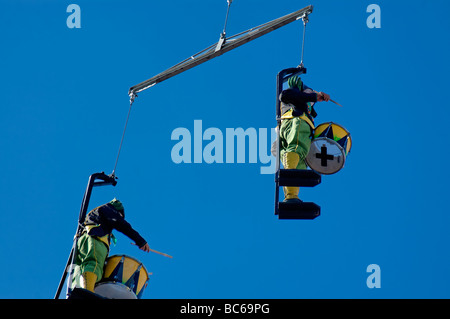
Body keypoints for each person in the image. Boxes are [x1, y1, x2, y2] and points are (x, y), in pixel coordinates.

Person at [73, 198, 150, 293]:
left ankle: (77, 293)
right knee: (94, 263)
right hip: (95, 238)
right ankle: (87, 293)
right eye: (120, 216)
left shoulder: (96, 215)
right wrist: (140, 240)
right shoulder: (108, 209)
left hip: (84, 241)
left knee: (80, 269)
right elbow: (120, 224)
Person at [279, 75, 330, 202]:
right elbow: (286, 95)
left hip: (290, 124)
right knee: (297, 149)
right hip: (297, 120)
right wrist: (313, 96)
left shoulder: (303, 104)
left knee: (298, 164)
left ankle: (291, 196)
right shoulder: (294, 96)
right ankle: (291, 195)